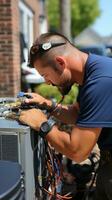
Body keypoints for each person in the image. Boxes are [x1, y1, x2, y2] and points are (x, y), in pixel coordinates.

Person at [19, 32, 112, 200]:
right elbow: (78, 113)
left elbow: (77, 151)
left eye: (45, 75)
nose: (47, 82)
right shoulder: (93, 70)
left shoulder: (101, 81)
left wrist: (42, 124)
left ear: (60, 63)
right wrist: (48, 105)